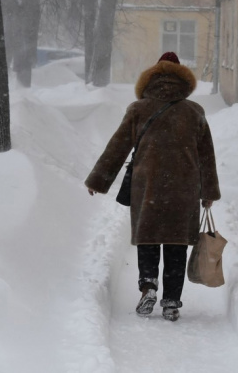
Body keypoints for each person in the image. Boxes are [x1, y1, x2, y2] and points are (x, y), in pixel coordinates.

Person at [85, 51, 220, 321]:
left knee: (147, 239)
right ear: (184, 81)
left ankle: (148, 286)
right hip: (184, 188)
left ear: (151, 79)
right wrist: (208, 193)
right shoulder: (194, 112)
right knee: (176, 244)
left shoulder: (138, 109)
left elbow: (118, 147)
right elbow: (206, 155)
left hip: (147, 187)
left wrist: (99, 180)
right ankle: (171, 301)